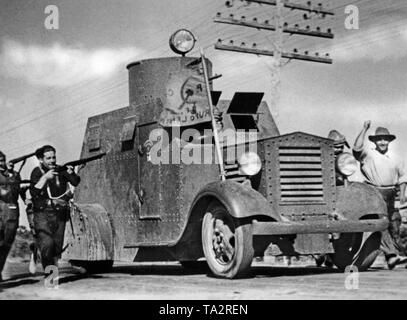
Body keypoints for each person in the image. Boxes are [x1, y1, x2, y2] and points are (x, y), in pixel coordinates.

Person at [353, 121, 407, 269]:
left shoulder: (396, 158)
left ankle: (396, 256)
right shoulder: (368, 154)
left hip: (392, 193)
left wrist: (402, 195)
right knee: (380, 223)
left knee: (394, 225)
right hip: (373, 192)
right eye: (379, 139)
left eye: (385, 139)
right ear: (375, 141)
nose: (382, 142)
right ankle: (391, 255)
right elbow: (356, 148)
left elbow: (403, 178)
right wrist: (364, 129)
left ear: (389, 141)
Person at [29, 145, 80, 271]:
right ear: (41, 160)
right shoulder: (37, 172)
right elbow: (34, 192)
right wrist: (45, 177)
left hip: (59, 214)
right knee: (47, 245)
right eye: (48, 158)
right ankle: (51, 279)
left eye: (54, 157)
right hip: (42, 214)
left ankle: (38, 250)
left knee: (57, 248)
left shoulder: (60, 170)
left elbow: (76, 182)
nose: (52, 160)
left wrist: (71, 172)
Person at [0, 151, 29, 281]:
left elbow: (17, 189)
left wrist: (26, 199)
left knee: (7, 242)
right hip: (1, 208)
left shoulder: (15, 174)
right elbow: (4, 193)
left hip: (13, 209)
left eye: (2, 160)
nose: (1, 163)